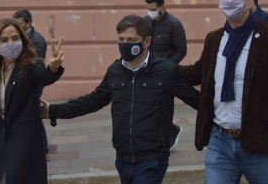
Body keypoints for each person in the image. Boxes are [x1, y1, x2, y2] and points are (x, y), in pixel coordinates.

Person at [40, 14, 200, 184]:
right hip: (123, 157)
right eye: (121, 39)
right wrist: (53, 111)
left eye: (131, 40)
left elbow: (195, 100)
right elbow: (92, 101)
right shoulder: (115, 71)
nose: (125, 44)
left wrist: (223, 121)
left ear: (146, 42)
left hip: (152, 157)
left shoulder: (166, 70)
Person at [179, 0, 268, 184]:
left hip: (260, 143)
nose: (229, 1)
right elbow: (196, 73)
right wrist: (157, 64)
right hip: (220, 141)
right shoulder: (214, 39)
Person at [0, 18, 64, 184]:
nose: (11, 44)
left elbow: (44, 76)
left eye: (15, 38)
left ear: (22, 40)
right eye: (4, 40)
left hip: (25, 146)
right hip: (1, 149)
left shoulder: (30, 66)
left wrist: (53, 68)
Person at [145, 0, 188, 151]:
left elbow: (181, 50)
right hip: (147, 71)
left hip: (164, 73)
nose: (150, 12)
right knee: (148, 106)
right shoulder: (145, 22)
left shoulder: (174, 24)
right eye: (148, 8)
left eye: (153, 9)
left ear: (162, 6)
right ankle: (166, 132)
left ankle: (169, 134)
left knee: (160, 106)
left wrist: (167, 65)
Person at [12, 9, 51, 161]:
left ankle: (43, 149)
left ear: (28, 24)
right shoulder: (18, 38)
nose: (16, 27)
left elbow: (34, 63)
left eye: (20, 24)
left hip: (32, 84)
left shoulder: (37, 40)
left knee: (33, 114)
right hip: (21, 83)